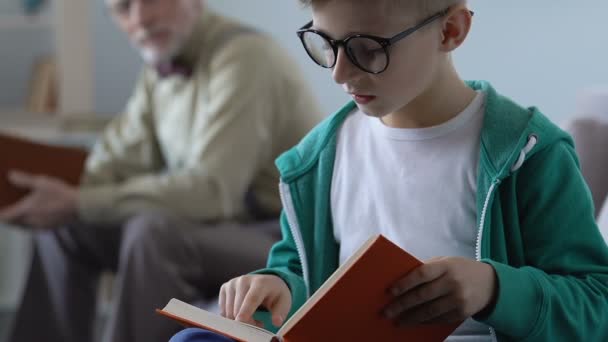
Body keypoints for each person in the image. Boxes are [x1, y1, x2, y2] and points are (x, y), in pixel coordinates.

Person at [171, 0, 608, 341]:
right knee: (192, 339)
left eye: (367, 48)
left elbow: (596, 306)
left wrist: (493, 288)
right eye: (326, 43)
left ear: (451, 30)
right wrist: (278, 287)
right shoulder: (316, 161)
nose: (341, 73)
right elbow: (301, 275)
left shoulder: (529, 153)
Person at [0, 0, 322, 341]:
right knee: (65, 225)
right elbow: (113, 161)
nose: (141, 18)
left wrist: (81, 201)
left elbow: (212, 193)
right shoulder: (161, 66)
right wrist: (41, 196)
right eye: (123, 8)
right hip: (213, 229)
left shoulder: (245, 57)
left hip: (280, 240)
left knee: (152, 232)